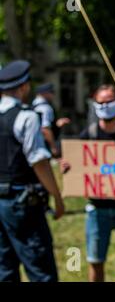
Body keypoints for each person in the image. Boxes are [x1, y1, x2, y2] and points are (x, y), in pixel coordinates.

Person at [61, 84, 115, 282]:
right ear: (94, 103)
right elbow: (76, 163)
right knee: (95, 260)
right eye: (101, 101)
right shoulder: (87, 135)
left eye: (109, 101)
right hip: (97, 209)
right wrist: (67, 165)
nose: (105, 105)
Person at [0, 60, 65, 282]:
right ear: (24, 87)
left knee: (4, 269)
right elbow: (39, 162)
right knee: (40, 270)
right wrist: (57, 196)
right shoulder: (26, 117)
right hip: (22, 203)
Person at [32, 83, 71, 157]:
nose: (53, 95)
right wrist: (53, 147)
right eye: (51, 92)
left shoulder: (33, 105)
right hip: (44, 144)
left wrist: (57, 124)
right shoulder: (45, 108)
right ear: (45, 93)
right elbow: (45, 129)